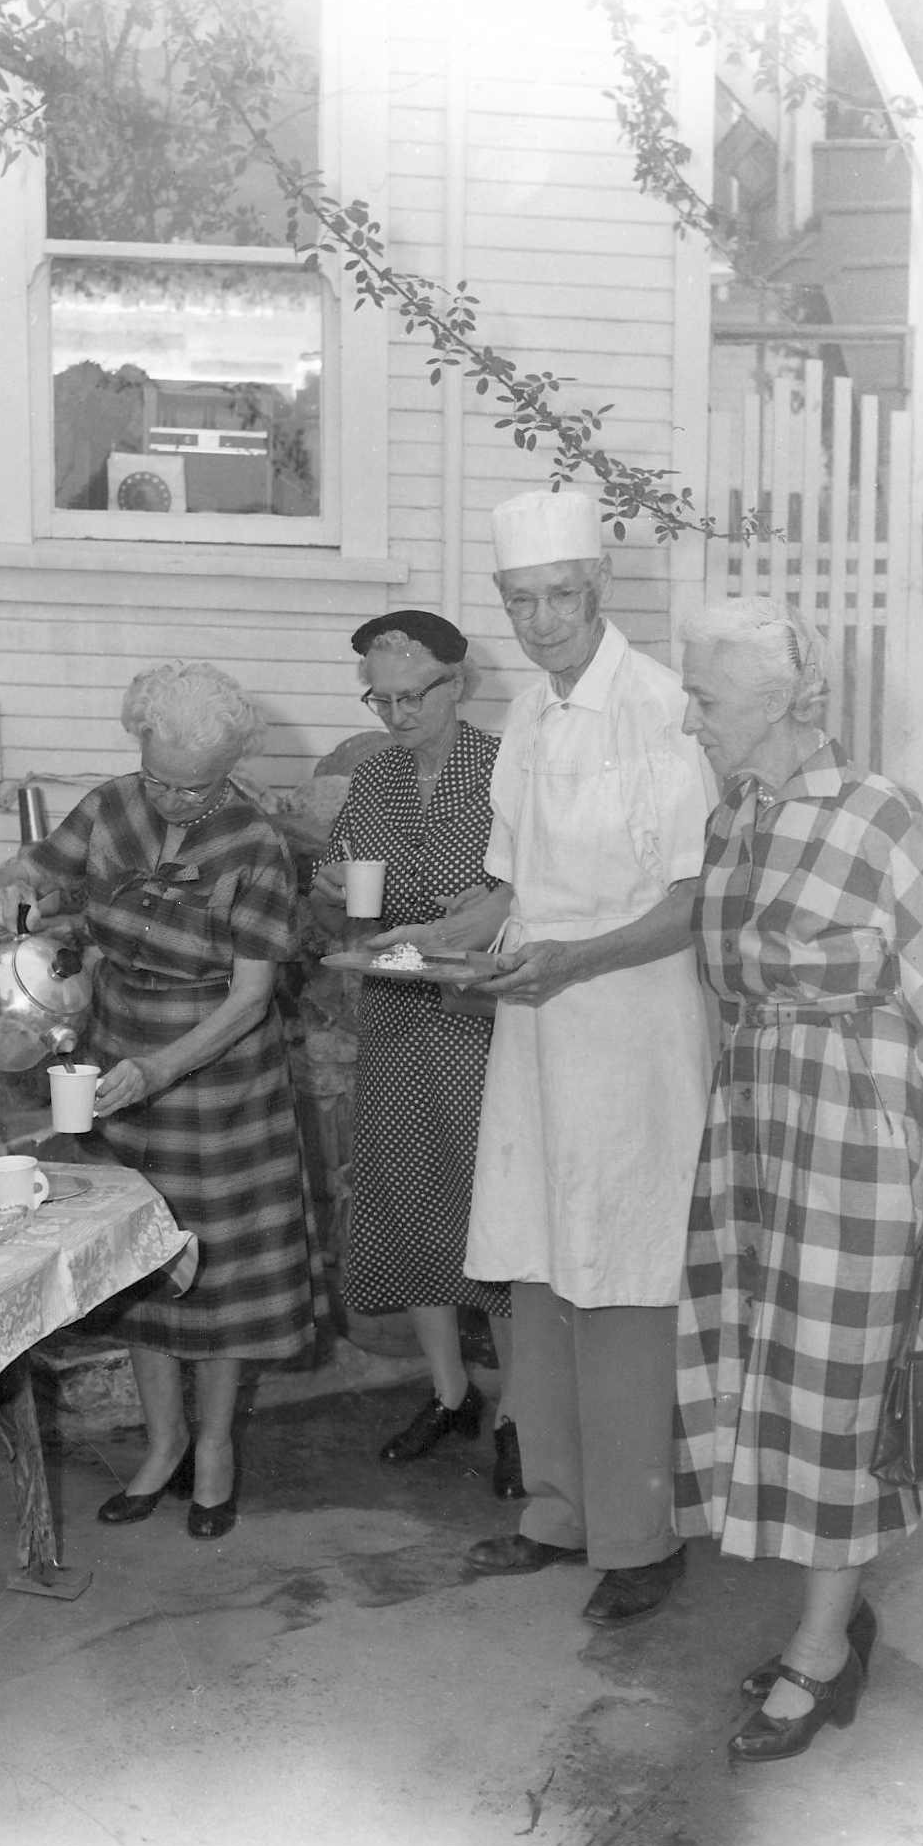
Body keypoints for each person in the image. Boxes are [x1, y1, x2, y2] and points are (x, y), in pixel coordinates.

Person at [372, 489, 713, 1627]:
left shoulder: (661, 707)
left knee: (616, 1274)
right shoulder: (526, 711)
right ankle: (555, 1513)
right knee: (535, 1265)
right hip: (537, 1027)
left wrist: (570, 961)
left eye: (561, 595)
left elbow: (690, 901)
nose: (543, 618)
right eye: (522, 601)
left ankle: (638, 1538)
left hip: (631, 1030)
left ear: (599, 589)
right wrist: (433, 939)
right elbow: (508, 888)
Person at [671, 595, 923, 1762]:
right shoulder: (736, 813)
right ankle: (831, 1614)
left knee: (836, 1388)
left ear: (777, 699)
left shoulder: (875, 814)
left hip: (858, 1125)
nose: (690, 716)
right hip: (757, 1117)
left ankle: (817, 1656)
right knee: (772, 1367)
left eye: (704, 696)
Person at [0, 661, 313, 1540]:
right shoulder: (111, 804)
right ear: (139, 744)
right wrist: (16, 879)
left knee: (221, 1270)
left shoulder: (256, 843)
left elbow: (251, 999)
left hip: (219, 1076)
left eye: (195, 788)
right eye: (160, 778)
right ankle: (161, 1444)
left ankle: (214, 1453)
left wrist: (163, 1069)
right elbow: (41, 868)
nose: (172, 801)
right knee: (136, 1257)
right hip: (114, 1055)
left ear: (230, 769)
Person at [310, 610, 520, 1496]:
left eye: (412, 695)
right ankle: (449, 1391)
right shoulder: (374, 779)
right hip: (396, 1018)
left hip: (486, 1022)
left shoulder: (507, 770)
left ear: (458, 685)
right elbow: (344, 906)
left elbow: (532, 895)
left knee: (497, 1212)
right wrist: (330, 894)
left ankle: (521, 1412)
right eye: (380, 697)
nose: (395, 714)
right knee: (407, 1199)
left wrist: (489, 906)